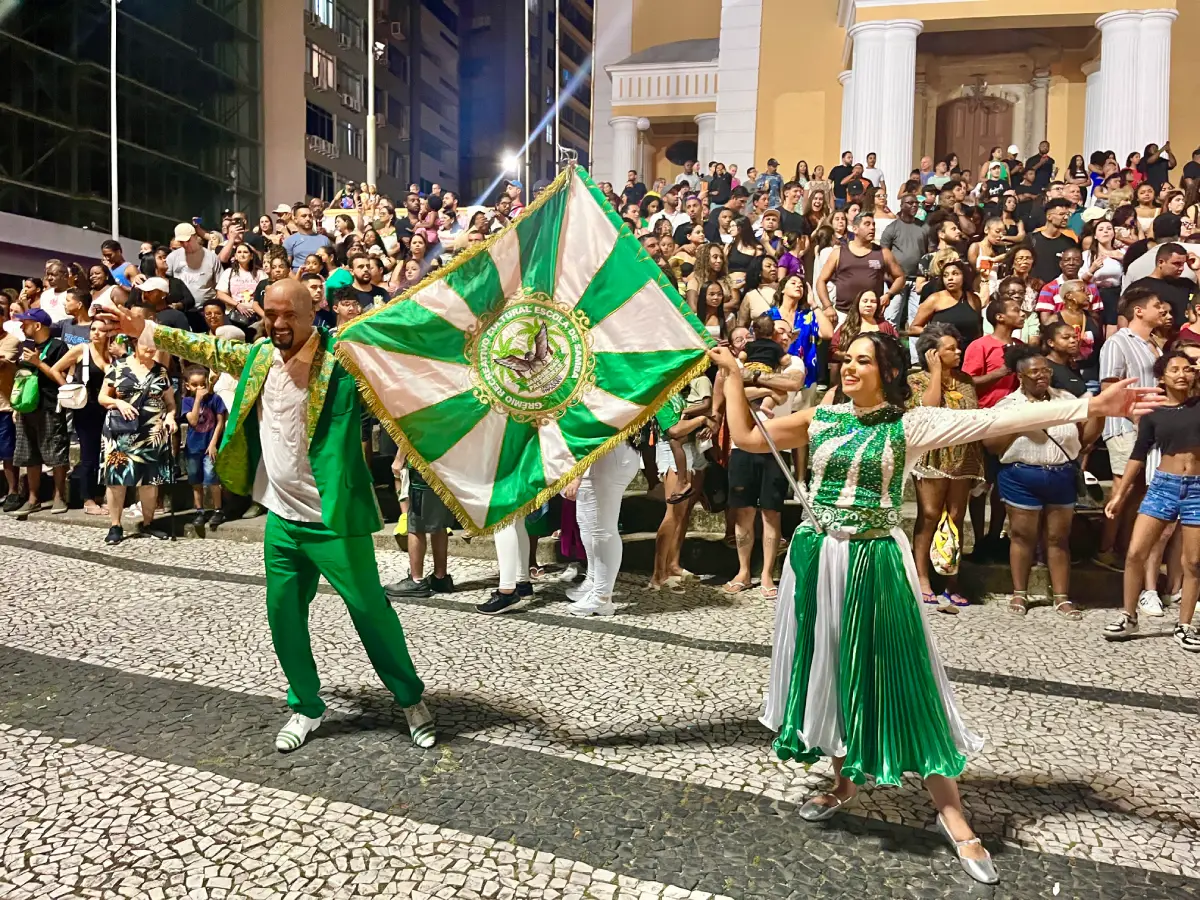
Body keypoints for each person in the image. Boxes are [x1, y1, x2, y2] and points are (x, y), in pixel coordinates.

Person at [715, 332, 1155, 886]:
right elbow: (751, 438)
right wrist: (733, 375)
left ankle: (955, 817)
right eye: (847, 358)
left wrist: (1089, 405)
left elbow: (992, 422)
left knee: (902, 675)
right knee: (830, 667)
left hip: (873, 561)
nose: (850, 367)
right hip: (816, 559)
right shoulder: (820, 417)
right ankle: (845, 779)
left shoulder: (911, 424)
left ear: (887, 371)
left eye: (863, 360)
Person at [100, 278, 436, 752]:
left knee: (370, 612)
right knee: (283, 616)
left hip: (332, 520)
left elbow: (407, 350)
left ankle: (410, 699)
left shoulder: (343, 358)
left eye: (288, 315)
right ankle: (306, 705)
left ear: (311, 310)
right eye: (270, 314)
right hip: (281, 518)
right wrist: (149, 328)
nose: (278, 324)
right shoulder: (258, 357)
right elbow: (203, 346)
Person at [986, 344, 1099, 618]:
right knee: (1022, 536)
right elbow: (991, 446)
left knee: (1058, 538)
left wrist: (1098, 412)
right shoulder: (1009, 406)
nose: (1041, 376)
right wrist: (1021, 424)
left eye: (1045, 371)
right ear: (1020, 376)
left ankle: (1061, 597)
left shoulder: (1064, 399)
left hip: (1060, 475)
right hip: (1022, 475)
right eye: (1034, 372)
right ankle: (1019, 593)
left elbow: (1084, 440)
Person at [1103, 350, 1200, 649]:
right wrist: (1119, 494)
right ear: (1161, 377)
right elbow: (1137, 454)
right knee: (1135, 553)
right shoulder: (1152, 413)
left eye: (1188, 369)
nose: (1183, 374)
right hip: (1163, 486)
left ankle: (1184, 626)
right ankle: (1129, 615)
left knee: (1194, 562)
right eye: (1175, 370)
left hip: (1197, 489)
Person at [1094, 287, 1171, 570]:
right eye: (1157, 305)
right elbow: (1108, 387)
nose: (1163, 310)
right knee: (1122, 490)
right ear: (1138, 311)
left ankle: (1127, 551)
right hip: (1125, 426)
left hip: (1152, 431)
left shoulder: (1155, 344)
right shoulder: (1118, 342)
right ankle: (1105, 549)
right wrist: (1137, 419)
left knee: (1140, 492)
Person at [907, 323, 983, 608]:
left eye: (956, 346)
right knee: (929, 514)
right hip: (931, 458)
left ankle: (951, 578)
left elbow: (971, 412)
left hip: (962, 457)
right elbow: (928, 410)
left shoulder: (965, 380)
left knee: (955, 515)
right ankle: (922, 577)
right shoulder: (916, 380)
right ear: (933, 354)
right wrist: (936, 373)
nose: (958, 352)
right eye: (950, 349)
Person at [98, 329, 177, 543]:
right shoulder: (118, 367)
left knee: (150, 480)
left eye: (154, 345)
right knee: (116, 480)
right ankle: (115, 525)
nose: (151, 349)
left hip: (151, 432)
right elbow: (102, 397)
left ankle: (148, 523)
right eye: (146, 345)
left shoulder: (161, 371)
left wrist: (170, 418)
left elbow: (170, 403)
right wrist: (119, 402)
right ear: (134, 344)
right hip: (120, 432)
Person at [10, 308, 69, 517]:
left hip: (50, 406)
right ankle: (33, 498)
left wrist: (39, 363)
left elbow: (62, 380)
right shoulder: (26, 346)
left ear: (37, 325)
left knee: (56, 453)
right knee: (29, 455)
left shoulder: (58, 346)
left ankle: (59, 496)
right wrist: (17, 406)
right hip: (26, 407)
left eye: (25, 323)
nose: (21, 326)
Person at [51, 319, 113, 516]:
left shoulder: (112, 353)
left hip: (108, 408)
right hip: (86, 408)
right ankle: (88, 499)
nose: (96, 333)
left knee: (107, 454)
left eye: (101, 330)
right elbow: (55, 369)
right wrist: (68, 388)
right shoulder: (81, 349)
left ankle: (101, 495)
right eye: (93, 329)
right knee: (88, 455)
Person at [384, 463, 458, 598]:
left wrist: (399, 458)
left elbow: (412, 440)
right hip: (443, 465)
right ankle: (440, 577)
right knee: (439, 522)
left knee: (416, 525)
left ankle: (416, 579)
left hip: (422, 464)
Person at [815, 213, 905, 320]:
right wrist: (828, 306)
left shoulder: (883, 253)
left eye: (873, 224)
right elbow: (821, 280)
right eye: (867, 224)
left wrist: (889, 294)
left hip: (872, 316)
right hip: (843, 314)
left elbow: (900, 277)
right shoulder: (838, 252)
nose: (872, 227)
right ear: (855, 229)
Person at [181, 365, 228, 528]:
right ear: (188, 386)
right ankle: (199, 510)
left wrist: (214, 443)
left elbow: (220, 422)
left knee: (212, 478)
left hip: (209, 446)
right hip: (193, 447)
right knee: (195, 480)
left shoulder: (215, 399)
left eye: (203, 384)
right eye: (195, 385)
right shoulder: (187, 402)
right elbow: (192, 421)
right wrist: (198, 400)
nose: (200, 388)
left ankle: (218, 510)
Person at [829, 289, 896, 387]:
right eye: (865, 301)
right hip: (851, 375)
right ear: (858, 304)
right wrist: (852, 357)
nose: (869, 304)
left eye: (873, 302)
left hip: (879, 377)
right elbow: (833, 351)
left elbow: (896, 350)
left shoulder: (885, 326)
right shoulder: (847, 327)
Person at [910, 259, 982, 348]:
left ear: (964, 276)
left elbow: (979, 330)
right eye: (945, 275)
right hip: (944, 351)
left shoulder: (974, 299)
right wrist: (939, 334)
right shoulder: (934, 299)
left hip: (970, 353)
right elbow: (913, 328)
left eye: (955, 273)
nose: (950, 278)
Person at [1126, 242, 1198, 327]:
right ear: (1161, 262)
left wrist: (1198, 270)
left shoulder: (1186, 283)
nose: (1181, 268)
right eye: (1176, 264)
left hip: (1186, 337)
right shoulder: (1139, 287)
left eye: (1183, 264)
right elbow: (1124, 318)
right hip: (1155, 338)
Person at [165, 223, 222, 309]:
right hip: (180, 309)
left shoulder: (211, 257)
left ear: (195, 236)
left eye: (188, 241)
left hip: (204, 311)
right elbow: (163, 278)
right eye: (181, 242)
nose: (185, 244)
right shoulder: (173, 257)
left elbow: (220, 286)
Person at [1028, 199, 1080, 285]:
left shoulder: (1070, 243)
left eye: (1068, 214)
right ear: (1049, 217)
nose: (1066, 217)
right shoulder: (1031, 239)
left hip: (1058, 290)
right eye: (1061, 214)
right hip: (1033, 288)